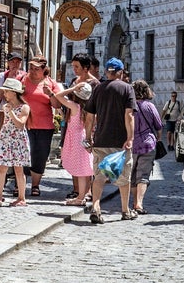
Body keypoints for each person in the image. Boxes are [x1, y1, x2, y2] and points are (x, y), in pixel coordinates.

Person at [84, 57, 138, 223]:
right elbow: (128, 115)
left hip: (100, 140)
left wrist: (88, 138)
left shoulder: (98, 89)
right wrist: (130, 137)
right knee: (124, 178)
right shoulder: (127, 89)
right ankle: (125, 210)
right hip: (119, 141)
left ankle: (96, 206)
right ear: (121, 72)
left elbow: (89, 116)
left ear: (107, 72)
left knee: (99, 176)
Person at [20, 56, 61, 197]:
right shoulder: (23, 80)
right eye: (31, 67)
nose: (32, 71)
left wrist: (50, 94)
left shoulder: (50, 83)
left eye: (36, 69)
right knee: (24, 154)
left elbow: (57, 105)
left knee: (40, 156)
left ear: (44, 70)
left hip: (45, 126)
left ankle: (35, 186)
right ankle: (21, 185)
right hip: (25, 123)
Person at [64, 53, 99, 199]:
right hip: (73, 120)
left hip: (88, 122)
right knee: (74, 155)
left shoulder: (95, 84)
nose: (74, 69)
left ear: (86, 68)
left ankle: (88, 190)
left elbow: (98, 105)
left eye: (77, 67)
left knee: (86, 157)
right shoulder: (74, 81)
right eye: (73, 66)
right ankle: (77, 189)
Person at [0, 79, 31, 207]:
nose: (4, 94)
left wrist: (11, 113)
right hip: (6, 138)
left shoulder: (25, 107)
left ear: (14, 92)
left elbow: (20, 124)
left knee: (18, 169)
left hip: (18, 140)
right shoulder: (5, 106)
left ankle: (21, 198)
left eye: (6, 91)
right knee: (2, 167)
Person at [54, 82, 94, 206]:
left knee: (81, 171)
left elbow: (58, 96)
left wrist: (72, 89)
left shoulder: (75, 106)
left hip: (76, 139)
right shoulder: (87, 107)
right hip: (83, 137)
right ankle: (83, 195)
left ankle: (80, 197)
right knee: (85, 169)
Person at [131, 79, 163, 215]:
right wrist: (158, 138)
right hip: (148, 144)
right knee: (143, 175)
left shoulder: (129, 107)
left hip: (131, 144)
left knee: (132, 175)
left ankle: (134, 202)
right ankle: (139, 203)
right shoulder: (149, 106)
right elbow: (159, 126)